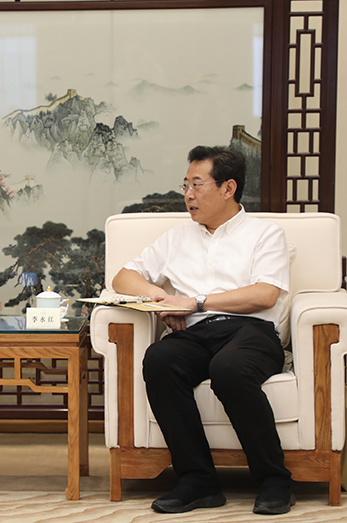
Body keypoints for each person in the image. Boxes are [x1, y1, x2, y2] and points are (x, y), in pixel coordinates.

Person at [112, 146, 294, 515]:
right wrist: (162, 298)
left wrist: (194, 302)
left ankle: (274, 480)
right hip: (194, 335)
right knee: (160, 359)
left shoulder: (265, 234)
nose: (188, 195)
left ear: (228, 188)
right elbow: (123, 278)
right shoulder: (176, 237)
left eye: (197, 185)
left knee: (229, 369)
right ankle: (198, 482)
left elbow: (264, 294)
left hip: (251, 332)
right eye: (185, 185)